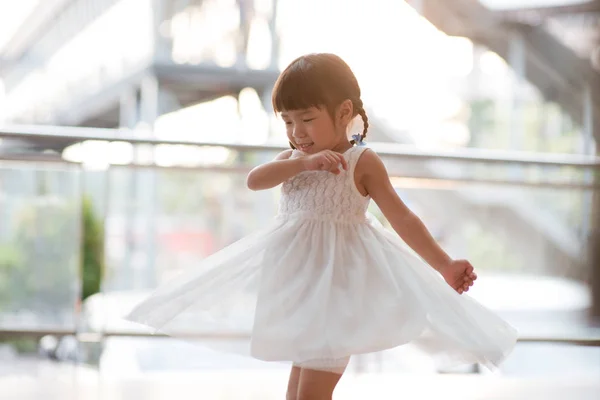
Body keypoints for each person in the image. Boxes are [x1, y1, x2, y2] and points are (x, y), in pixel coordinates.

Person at [126, 53, 518, 400]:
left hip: (338, 295)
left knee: (313, 393)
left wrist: (444, 264)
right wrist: (301, 162)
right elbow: (255, 179)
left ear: (344, 112)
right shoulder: (294, 158)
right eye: (288, 121)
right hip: (301, 295)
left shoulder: (362, 162)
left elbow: (402, 216)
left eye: (308, 120)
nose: (297, 132)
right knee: (297, 393)